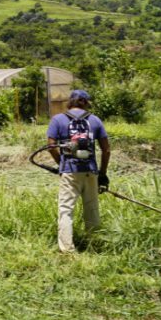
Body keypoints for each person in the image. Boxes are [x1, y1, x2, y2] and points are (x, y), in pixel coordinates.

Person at [46, 89, 110, 253]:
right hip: (90, 171)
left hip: (70, 171)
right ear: (84, 102)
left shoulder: (58, 120)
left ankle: (67, 249)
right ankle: (94, 245)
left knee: (66, 210)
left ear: (71, 101)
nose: (89, 105)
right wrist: (102, 174)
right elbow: (106, 150)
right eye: (88, 102)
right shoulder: (95, 120)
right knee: (92, 208)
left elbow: (51, 147)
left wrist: (61, 163)